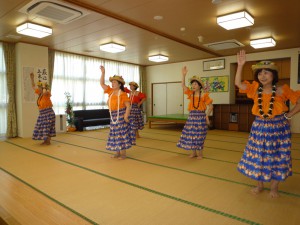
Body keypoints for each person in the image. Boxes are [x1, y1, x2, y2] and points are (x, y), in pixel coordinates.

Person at [235, 50, 300, 198]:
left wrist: (288, 115)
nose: (262, 76)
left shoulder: (282, 89)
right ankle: (259, 185)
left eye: (266, 72)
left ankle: (274, 188)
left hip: (279, 128)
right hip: (259, 127)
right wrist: (240, 66)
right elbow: (238, 83)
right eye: (259, 73)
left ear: (274, 75)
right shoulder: (254, 89)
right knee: (260, 156)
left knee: (277, 156)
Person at [177, 66, 213, 159]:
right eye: (192, 84)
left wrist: (207, 116)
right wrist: (183, 75)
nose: (193, 86)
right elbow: (183, 86)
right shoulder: (190, 94)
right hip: (192, 117)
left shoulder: (204, 95)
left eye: (195, 84)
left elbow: (211, 106)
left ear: (200, 86)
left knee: (199, 135)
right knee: (192, 135)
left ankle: (200, 153)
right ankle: (193, 153)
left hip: (200, 117)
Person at [100, 66, 135, 159]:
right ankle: (117, 152)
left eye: (114, 82)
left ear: (120, 84)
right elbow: (102, 84)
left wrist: (126, 116)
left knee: (121, 134)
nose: (112, 84)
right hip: (113, 116)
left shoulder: (123, 94)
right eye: (112, 82)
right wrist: (103, 73)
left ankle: (123, 154)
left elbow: (128, 106)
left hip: (121, 115)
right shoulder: (110, 92)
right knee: (115, 134)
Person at [30, 72, 56, 145]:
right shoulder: (39, 94)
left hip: (48, 113)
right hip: (42, 113)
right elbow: (33, 87)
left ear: (42, 88)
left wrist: (44, 87)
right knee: (42, 127)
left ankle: (47, 141)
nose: (38, 88)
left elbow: (44, 93)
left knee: (47, 126)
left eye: (39, 87)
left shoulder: (47, 92)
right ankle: (45, 141)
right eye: (38, 87)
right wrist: (32, 78)